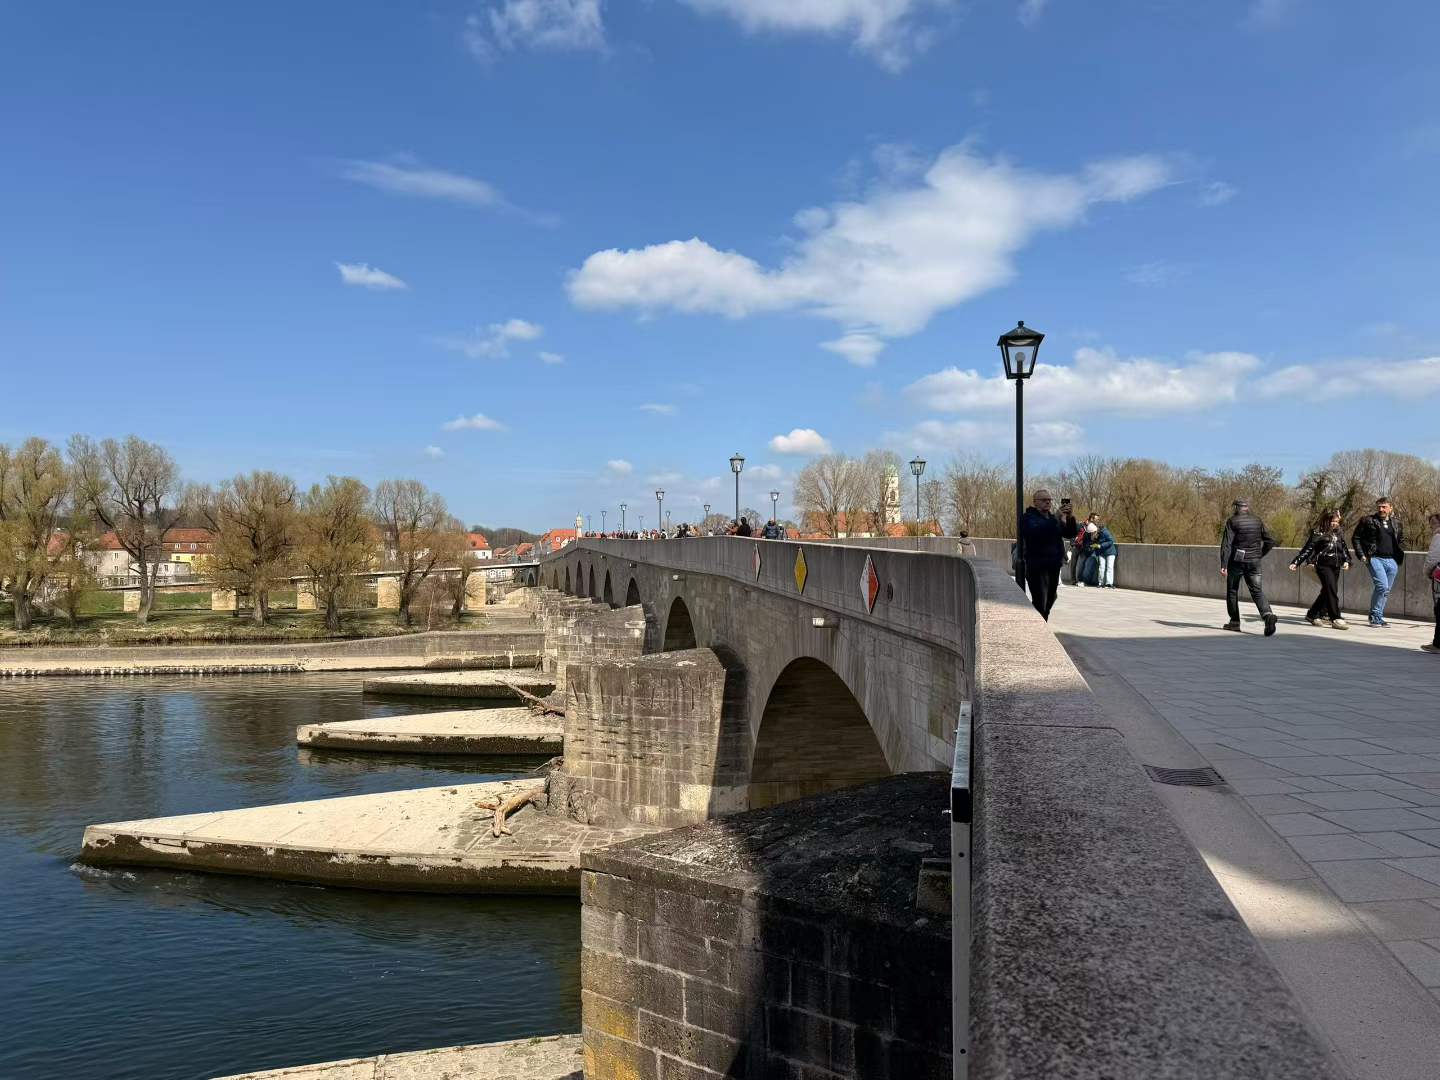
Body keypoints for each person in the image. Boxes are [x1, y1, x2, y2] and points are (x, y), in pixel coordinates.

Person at [1220, 498, 1278, 635]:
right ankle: (1268, 615)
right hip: (1254, 562)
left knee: (1232, 590)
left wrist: (1223, 563)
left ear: (1236, 508)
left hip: (1237, 562)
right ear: (1246, 508)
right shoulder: (1257, 520)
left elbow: (1227, 544)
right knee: (1257, 591)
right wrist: (1260, 554)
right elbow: (1270, 540)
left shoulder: (1232, 521)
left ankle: (1234, 622)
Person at [1018, 489, 1079, 620]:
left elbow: (1069, 533)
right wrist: (1056, 519)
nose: (1047, 502)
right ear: (1035, 502)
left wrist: (1069, 517)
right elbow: (1036, 532)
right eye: (1044, 500)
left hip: (1053, 565)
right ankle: (1039, 627)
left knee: (1051, 598)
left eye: (1049, 500)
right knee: (1040, 600)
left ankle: (1042, 622)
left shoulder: (1052, 518)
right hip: (1037, 565)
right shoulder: (1028, 517)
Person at [1288, 508, 1351, 629]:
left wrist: (1347, 561)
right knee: (1331, 590)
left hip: (1336, 566)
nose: (1334, 523)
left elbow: (1344, 549)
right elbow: (1307, 550)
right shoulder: (1317, 534)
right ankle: (1335, 618)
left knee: (1328, 591)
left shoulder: (1339, 533)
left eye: (1337, 521)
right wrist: (1296, 562)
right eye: (1332, 521)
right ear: (1325, 521)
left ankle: (1312, 614)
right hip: (1323, 565)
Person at [1352, 496, 1406, 627]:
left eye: (1384, 507)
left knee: (1385, 590)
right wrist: (1361, 555)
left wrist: (1400, 552)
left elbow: (1401, 540)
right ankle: (1375, 616)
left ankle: (1378, 616)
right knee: (1382, 586)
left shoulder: (1397, 523)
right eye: (1379, 507)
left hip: (1392, 560)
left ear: (1390, 508)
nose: (1381, 509)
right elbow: (1356, 538)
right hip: (1374, 558)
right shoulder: (1368, 520)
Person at [1423, 512, 1440, 655]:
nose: (1432, 527)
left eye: (1434, 523)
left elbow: (1432, 559)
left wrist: (1427, 572)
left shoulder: (1438, 536)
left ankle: (1438, 643)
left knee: (1439, 609)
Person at [1091, 518, 1118, 588]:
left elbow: (1111, 541)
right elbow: (1095, 542)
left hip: (1110, 552)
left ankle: (1109, 583)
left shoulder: (1105, 532)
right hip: (1102, 552)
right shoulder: (1096, 533)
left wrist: (1100, 545)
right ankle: (1100, 583)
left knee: (1109, 567)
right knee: (1101, 568)